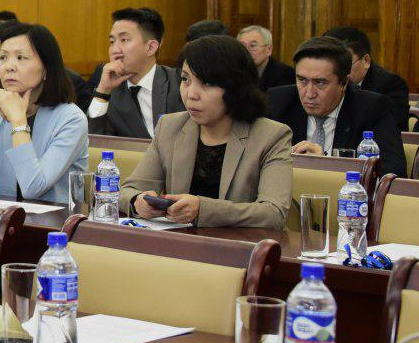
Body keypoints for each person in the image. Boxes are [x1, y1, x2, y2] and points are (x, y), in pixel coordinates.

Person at [120, 36, 293, 229]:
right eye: (185, 79)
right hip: (180, 242)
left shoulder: (271, 136)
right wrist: (138, 202)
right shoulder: (170, 127)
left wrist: (202, 209)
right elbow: (128, 190)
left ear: (236, 87)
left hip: (242, 245)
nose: (191, 94)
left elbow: (273, 213)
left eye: (207, 83)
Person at [0, 21, 87, 204]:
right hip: (6, 218)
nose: (9, 67)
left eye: (21, 58)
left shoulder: (71, 119)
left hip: (56, 220)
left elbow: (33, 188)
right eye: (3, 57)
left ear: (46, 69)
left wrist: (18, 121)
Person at [266, 36, 407, 177]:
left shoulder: (372, 109)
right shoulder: (278, 103)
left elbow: (393, 172)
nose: (309, 94)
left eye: (320, 82)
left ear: (344, 83)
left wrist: (327, 165)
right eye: (302, 80)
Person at [86, 7, 183, 139]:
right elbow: (94, 142)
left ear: (151, 48)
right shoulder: (109, 91)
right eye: (112, 41)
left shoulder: (179, 82)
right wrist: (103, 92)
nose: (115, 50)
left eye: (124, 40)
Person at [323, 26, 410, 131]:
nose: (335, 72)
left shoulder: (391, 84)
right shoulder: (312, 83)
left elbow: (392, 128)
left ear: (366, 61)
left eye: (343, 64)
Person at [238, 25, 294, 91]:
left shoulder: (285, 74)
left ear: (269, 49)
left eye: (253, 46)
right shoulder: (234, 70)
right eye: (242, 46)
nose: (246, 51)